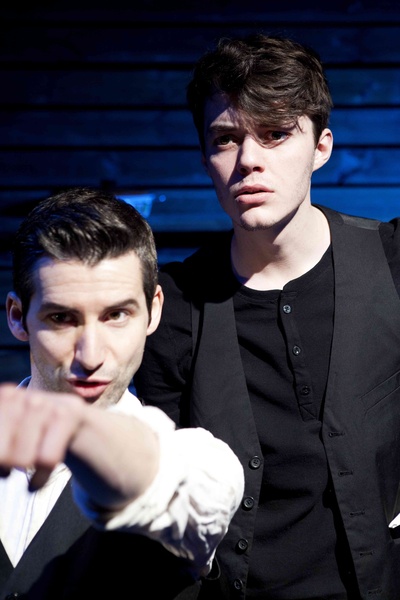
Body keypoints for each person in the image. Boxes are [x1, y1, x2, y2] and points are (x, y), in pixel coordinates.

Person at [133, 33, 400, 600]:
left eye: (276, 134)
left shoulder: (391, 261)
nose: (249, 159)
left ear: (321, 147)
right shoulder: (174, 305)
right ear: (206, 158)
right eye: (226, 139)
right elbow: (167, 501)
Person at [0, 187, 244, 600]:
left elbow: (178, 488)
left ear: (154, 311)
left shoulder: (197, 460)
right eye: (62, 318)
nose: (91, 355)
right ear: (18, 316)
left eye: (116, 315)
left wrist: (76, 430)